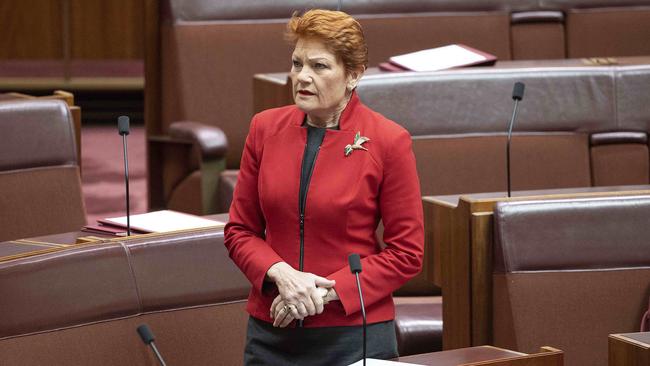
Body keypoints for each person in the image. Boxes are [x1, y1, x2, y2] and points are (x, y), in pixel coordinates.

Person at [224, 9, 424, 365]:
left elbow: (406, 253)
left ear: (353, 75)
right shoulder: (264, 129)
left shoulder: (388, 141)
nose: (302, 77)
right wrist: (281, 275)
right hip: (272, 328)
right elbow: (239, 231)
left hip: (354, 334)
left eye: (318, 66)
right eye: (297, 63)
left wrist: (321, 293)